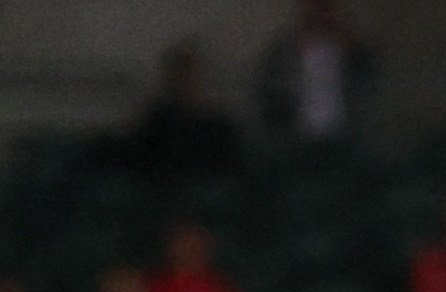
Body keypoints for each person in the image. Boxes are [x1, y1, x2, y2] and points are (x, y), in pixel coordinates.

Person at [255, 0, 370, 144]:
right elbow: (268, 88)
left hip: (342, 135)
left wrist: (352, 49)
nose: (321, 15)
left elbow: (367, 81)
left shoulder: (348, 50)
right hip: (296, 136)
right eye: (316, 8)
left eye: (326, 9)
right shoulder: (286, 50)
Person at [125, 43, 243, 183]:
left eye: (190, 75)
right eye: (181, 74)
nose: (186, 80)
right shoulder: (157, 119)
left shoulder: (219, 124)